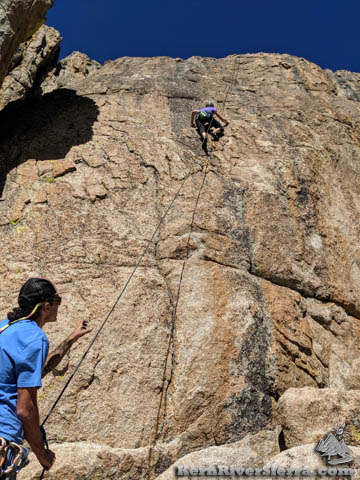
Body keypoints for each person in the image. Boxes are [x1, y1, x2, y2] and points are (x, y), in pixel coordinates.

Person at [0, 278, 92, 479]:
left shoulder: (5, 327)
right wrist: (41, 453)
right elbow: (25, 410)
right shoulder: (35, 338)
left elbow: (34, 371)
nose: (59, 304)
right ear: (47, 306)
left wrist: (70, 339)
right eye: (57, 299)